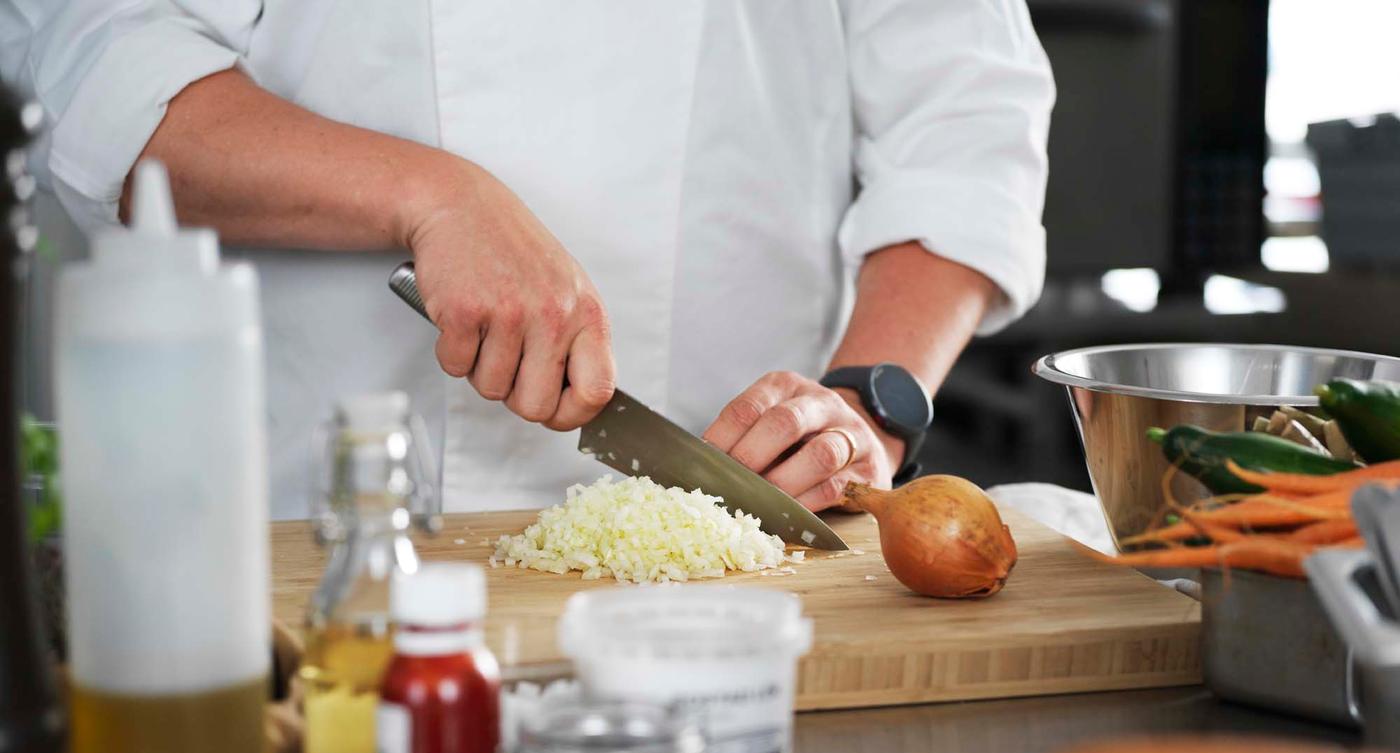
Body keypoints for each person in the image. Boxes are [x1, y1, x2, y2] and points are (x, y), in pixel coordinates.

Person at [1, 1, 1053, 518]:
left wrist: (860, 405)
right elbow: (94, 65)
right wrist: (430, 193)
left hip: (739, 552)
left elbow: (963, 119)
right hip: (309, 541)